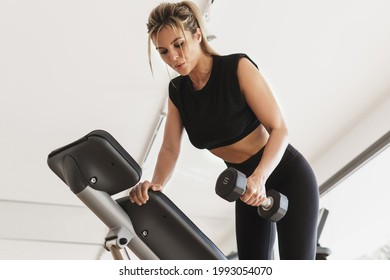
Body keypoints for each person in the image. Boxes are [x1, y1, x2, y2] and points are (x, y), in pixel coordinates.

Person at [129, 1, 319, 260]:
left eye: (178, 44)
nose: (172, 57)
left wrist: (260, 177)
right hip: (244, 185)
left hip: (286, 174)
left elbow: (279, 129)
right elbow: (170, 147)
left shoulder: (236, 68)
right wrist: (157, 183)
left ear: (197, 35)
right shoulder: (177, 93)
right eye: (163, 51)